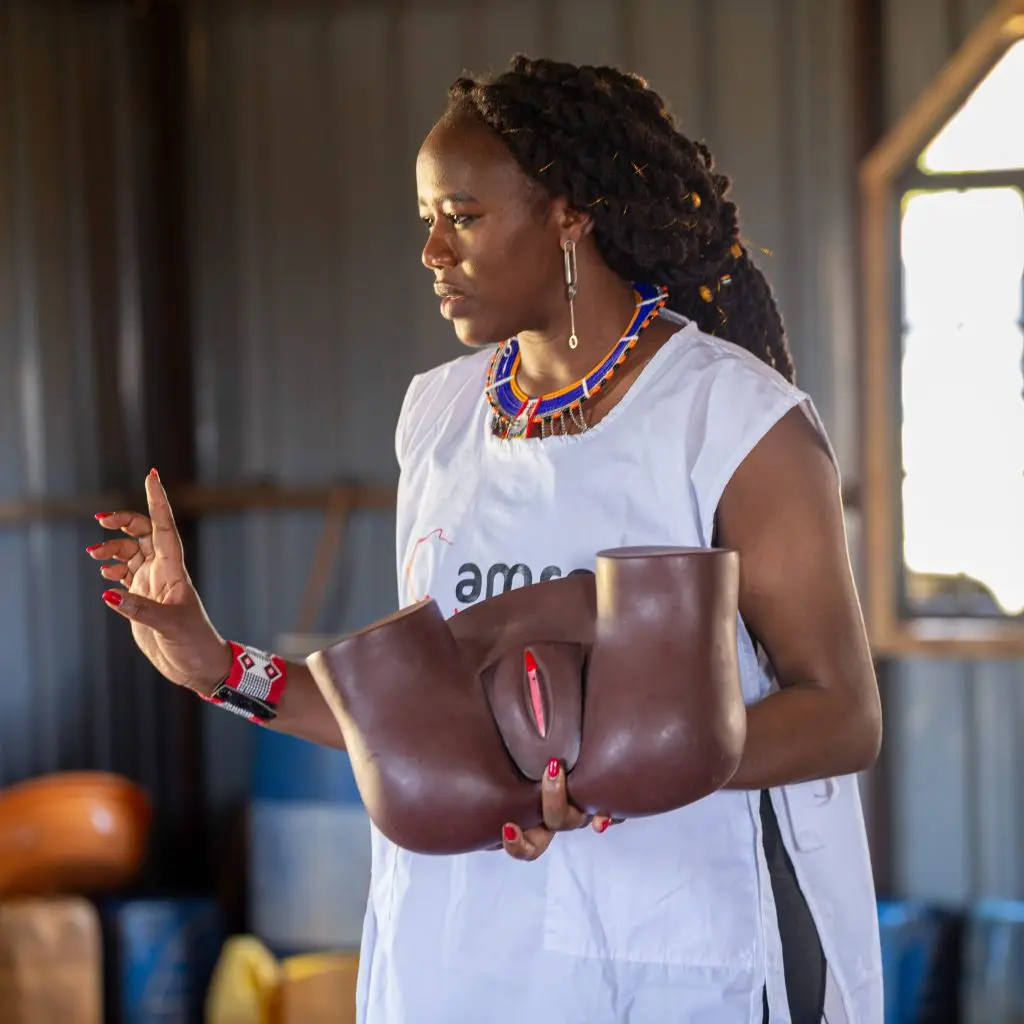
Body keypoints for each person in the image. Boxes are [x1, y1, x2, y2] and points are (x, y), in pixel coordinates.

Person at [87, 56, 883, 1024]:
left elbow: (841, 716)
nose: (430, 249)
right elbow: (423, 720)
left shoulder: (732, 418)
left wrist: (589, 781)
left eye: (461, 216)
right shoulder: (441, 412)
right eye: (426, 217)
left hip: (683, 935)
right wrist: (211, 662)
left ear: (570, 215)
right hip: (463, 946)